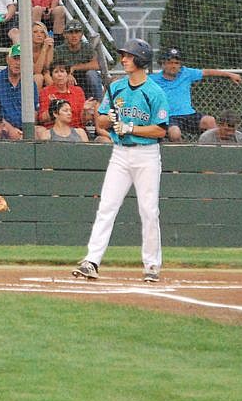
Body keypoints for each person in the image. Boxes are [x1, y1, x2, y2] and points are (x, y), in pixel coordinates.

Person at [72, 38, 169, 284]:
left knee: (148, 210)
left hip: (146, 155)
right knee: (107, 206)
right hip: (120, 153)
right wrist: (111, 119)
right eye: (123, 55)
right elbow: (102, 121)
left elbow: (160, 130)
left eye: (129, 55)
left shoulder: (155, 91)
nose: (124, 59)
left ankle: (152, 265)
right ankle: (91, 260)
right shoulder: (116, 88)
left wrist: (131, 127)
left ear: (141, 60)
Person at [151, 46, 242, 142]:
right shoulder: (153, 80)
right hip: (170, 117)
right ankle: (184, 154)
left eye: (176, 63)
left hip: (190, 115)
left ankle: (214, 151)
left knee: (209, 121)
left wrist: (230, 75)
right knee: (175, 133)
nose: (173, 66)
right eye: (170, 62)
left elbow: (208, 72)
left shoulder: (186, 73)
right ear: (163, 64)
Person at [0, 44, 38, 138]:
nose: (18, 63)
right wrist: (10, 129)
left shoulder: (30, 82)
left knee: (42, 133)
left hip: (26, 127)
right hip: (1, 126)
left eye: (22, 60)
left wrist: (28, 129)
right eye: (15, 58)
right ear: (8, 59)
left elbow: (34, 110)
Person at [53, 20, 103, 101]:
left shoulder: (87, 47)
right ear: (65, 34)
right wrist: (68, 74)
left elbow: (96, 65)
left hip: (85, 80)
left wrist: (75, 67)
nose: (74, 35)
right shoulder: (58, 50)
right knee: (61, 76)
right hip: (67, 80)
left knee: (92, 74)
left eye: (77, 32)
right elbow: (55, 68)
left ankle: (99, 103)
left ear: (81, 34)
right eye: (70, 32)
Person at [38, 60, 89, 129]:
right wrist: (54, 106)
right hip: (54, 130)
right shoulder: (45, 92)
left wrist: (85, 110)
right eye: (56, 72)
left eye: (62, 71)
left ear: (67, 74)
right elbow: (42, 119)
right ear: (51, 76)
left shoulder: (78, 91)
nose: (59, 75)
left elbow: (83, 121)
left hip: (76, 130)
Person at [30, 21, 55, 89]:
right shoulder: (26, 49)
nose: (39, 35)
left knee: (47, 77)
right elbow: (36, 71)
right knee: (38, 77)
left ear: (45, 35)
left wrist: (50, 48)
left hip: (43, 76)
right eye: (35, 32)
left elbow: (47, 68)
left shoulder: (48, 46)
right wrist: (44, 49)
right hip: (27, 79)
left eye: (42, 32)